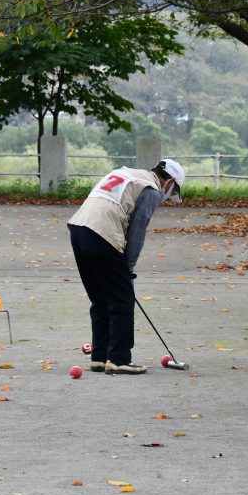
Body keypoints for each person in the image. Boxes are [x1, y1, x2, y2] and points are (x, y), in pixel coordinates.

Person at [67, 159, 184, 375]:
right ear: (170, 182)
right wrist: (127, 270)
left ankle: (99, 358)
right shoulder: (151, 189)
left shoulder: (128, 174)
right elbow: (137, 231)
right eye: (173, 192)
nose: (168, 198)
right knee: (122, 300)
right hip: (102, 232)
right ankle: (120, 359)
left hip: (78, 229)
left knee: (101, 298)